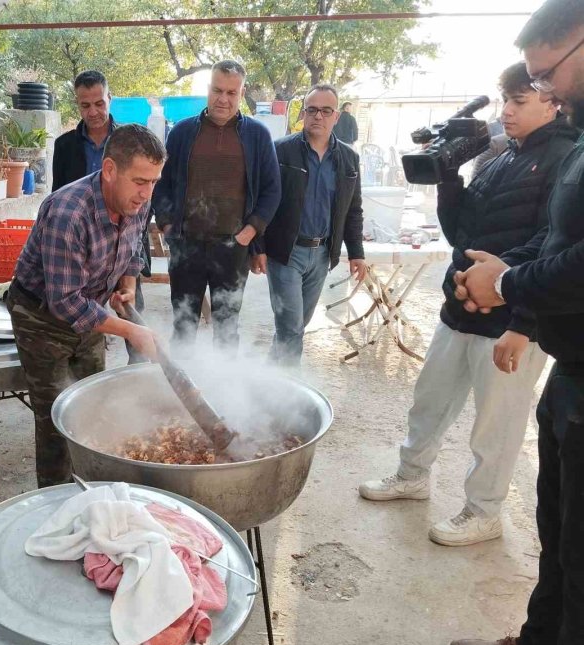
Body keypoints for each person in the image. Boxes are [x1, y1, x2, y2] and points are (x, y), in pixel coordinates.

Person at [359, 61, 575, 548]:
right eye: (506, 102)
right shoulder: (498, 156)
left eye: (519, 102)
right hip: (457, 312)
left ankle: (484, 511)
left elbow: (553, 246)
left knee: (496, 425)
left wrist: (523, 321)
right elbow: (461, 233)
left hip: (511, 321)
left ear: (551, 100)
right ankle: (412, 476)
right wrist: (448, 177)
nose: (508, 113)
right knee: (429, 403)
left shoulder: (565, 159)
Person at [447, 1, 584, 645]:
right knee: (558, 532)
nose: (546, 91)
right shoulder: (554, 144)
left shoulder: (565, 145)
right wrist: (501, 274)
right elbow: (551, 241)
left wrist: (508, 291)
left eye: (546, 75)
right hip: (572, 364)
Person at [6, 124, 164, 488]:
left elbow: (133, 246)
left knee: (94, 404)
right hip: (42, 319)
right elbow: (65, 304)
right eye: (140, 181)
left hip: (90, 311)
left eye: (154, 181)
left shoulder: (138, 199)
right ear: (110, 170)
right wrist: (131, 330)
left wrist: (125, 285)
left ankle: (94, 489)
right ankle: (57, 499)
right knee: (57, 419)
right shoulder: (68, 211)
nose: (147, 192)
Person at [153, 60, 281, 354]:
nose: (223, 99)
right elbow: (162, 184)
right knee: (183, 325)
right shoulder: (182, 133)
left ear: (241, 93)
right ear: (208, 89)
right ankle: (181, 390)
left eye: (231, 93)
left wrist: (249, 234)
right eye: (217, 90)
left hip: (232, 249)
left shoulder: (257, 136)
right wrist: (168, 225)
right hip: (187, 247)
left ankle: (224, 393)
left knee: (227, 328)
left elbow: (272, 190)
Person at [256, 84, 367, 366]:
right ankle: (287, 394)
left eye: (326, 111)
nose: (318, 116)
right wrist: (257, 247)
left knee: (294, 329)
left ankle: (267, 385)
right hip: (286, 253)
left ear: (336, 116)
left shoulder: (349, 159)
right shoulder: (280, 151)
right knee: (291, 327)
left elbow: (353, 210)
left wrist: (356, 253)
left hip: (322, 255)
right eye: (312, 110)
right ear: (304, 113)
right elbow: (259, 201)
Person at [51, 70, 151, 363]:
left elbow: (143, 195)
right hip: (83, 246)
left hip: (123, 239)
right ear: (77, 105)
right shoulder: (65, 146)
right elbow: (59, 196)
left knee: (131, 307)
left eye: (99, 103)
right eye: (85, 105)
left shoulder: (130, 142)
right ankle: (90, 353)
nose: (93, 112)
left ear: (110, 99)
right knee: (83, 311)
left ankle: (139, 372)